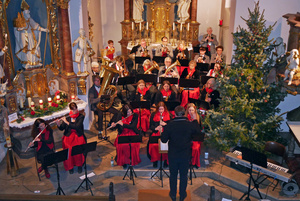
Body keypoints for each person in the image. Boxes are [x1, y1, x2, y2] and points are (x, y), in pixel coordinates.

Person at [161, 105, 200, 201]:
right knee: (183, 175)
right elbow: (198, 133)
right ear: (184, 114)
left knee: (173, 175)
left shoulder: (169, 125)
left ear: (174, 114)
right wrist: (195, 120)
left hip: (173, 155)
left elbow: (163, 140)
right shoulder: (190, 124)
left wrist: (163, 131)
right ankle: (182, 195)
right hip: (185, 155)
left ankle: (173, 194)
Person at [14, 0, 49, 69]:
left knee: (34, 48)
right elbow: (17, 29)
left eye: (28, 11)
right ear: (23, 12)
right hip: (24, 38)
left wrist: (44, 29)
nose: (29, 12)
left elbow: (36, 26)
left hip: (31, 37)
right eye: (27, 11)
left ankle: (35, 62)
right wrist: (20, 29)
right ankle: (28, 62)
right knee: (27, 50)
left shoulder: (30, 20)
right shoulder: (20, 20)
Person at [56, 102, 86, 174]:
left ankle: (79, 165)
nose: (74, 111)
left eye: (75, 109)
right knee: (69, 148)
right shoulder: (68, 116)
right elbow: (62, 128)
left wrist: (66, 122)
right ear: (70, 110)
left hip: (78, 134)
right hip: (69, 135)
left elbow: (77, 127)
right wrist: (58, 124)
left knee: (78, 147)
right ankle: (70, 166)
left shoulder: (81, 116)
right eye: (73, 110)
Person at [112, 104, 141, 169]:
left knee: (133, 145)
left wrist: (123, 124)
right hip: (123, 133)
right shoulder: (120, 115)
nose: (130, 113)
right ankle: (124, 161)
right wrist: (114, 125)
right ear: (124, 112)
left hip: (132, 132)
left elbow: (133, 126)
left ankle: (132, 160)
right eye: (128, 112)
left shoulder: (135, 115)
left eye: (130, 111)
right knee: (123, 146)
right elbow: (117, 125)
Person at [149, 102, 172, 168]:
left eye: (162, 109)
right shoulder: (153, 115)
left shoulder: (169, 115)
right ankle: (155, 161)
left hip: (166, 133)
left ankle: (165, 161)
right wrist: (156, 128)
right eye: (159, 109)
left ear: (164, 109)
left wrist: (166, 125)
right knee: (153, 146)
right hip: (156, 133)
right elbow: (151, 126)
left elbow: (172, 126)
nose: (161, 111)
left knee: (166, 145)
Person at [185, 103, 204, 168]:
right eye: (189, 110)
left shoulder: (198, 117)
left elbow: (199, 130)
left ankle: (194, 162)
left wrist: (194, 120)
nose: (191, 112)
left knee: (195, 148)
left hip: (195, 137)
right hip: (187, 137)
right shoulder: (185, 118)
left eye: (192, 110)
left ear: (195, 110)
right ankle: (188, 162)